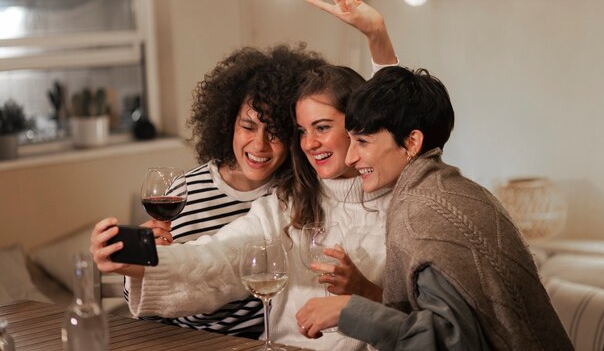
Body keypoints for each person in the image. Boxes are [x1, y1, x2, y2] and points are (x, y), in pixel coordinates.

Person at [91, 64, 393, 351]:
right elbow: (219, 258)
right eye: (302, 131)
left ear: (359, 124)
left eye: (322, 127)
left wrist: (365, 295)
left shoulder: (404, 206)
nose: (309, 143)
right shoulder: (290, 202)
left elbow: (428, 321)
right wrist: (142, 264)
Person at [295, 66, 574, 351]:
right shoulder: (459, 191)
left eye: (363, 142)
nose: (352, 157)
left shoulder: (420, 214)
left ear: (411, 142)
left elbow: (452, 342)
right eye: (351, 140)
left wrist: (349, 312)